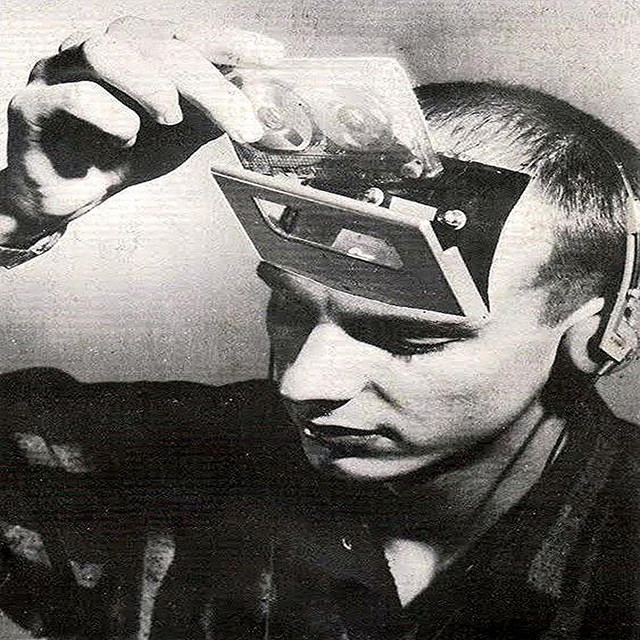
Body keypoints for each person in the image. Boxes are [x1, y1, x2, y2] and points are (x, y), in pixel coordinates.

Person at [0, 15, 638, 640]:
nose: (301, 383)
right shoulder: (154, 460)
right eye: (291, 307)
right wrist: (16, 213)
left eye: (409, 339)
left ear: (599, 333)